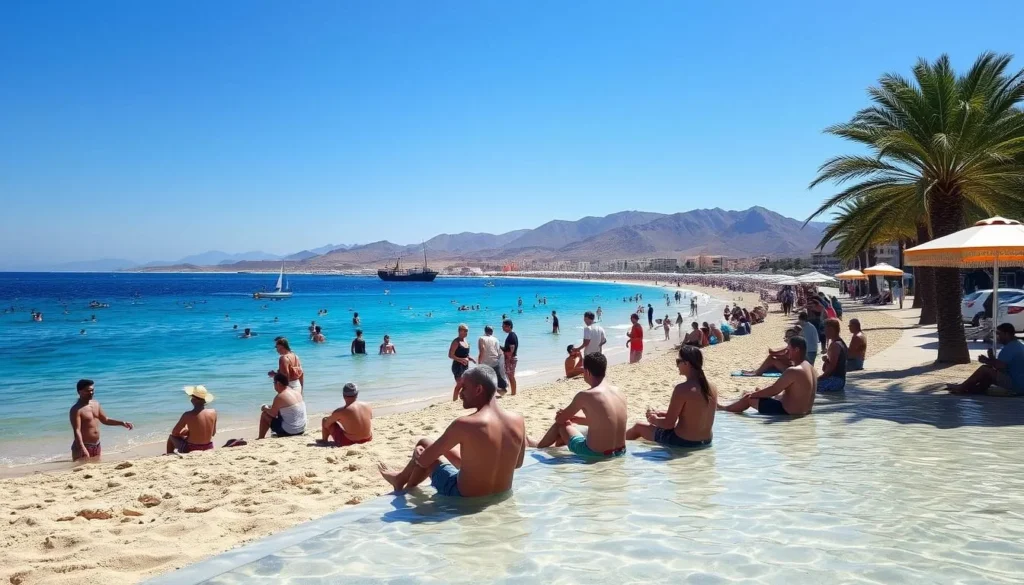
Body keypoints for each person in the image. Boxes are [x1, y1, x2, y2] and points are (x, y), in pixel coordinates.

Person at [379, 365, 526, 498]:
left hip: (461, 494)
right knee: (431, 444)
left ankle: (403, 484)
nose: (460, 393)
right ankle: (401, 481)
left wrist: (422, 455)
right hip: (501, 491)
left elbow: (424, 461)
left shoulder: (465, 424)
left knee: (423, 445)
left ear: (479, 389)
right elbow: (518, 464)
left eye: (464, 388)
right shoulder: (518, 420)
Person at [530, 353, 627, 458]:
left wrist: (565, 418)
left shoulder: (585, 395)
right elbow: (605, 420)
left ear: (588, 372)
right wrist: (576, 419)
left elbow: (560, 420)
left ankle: (539, 446)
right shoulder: (618, 392)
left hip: (595, 454)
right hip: (620, 451)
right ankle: (548, 444)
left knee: (561, 426)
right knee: (570, 425)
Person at [626, 346, 716, 449]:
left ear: (687, 364)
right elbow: (693, 413)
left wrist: (654, 419)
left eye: (678, 361)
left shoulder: (682, 389)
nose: (677, 365)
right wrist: (662, 413)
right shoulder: (712, 387)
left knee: (638, 427)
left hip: (683, 442)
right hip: (706, 441)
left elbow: (669, 424)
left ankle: (618, 453)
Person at [720, 337, 817, 415]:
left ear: (796, 350)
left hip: (786, 413)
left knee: (749, 399)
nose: (786, 353)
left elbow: (773, 390)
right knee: (760, 392)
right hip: (805, 413)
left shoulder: (793, 370)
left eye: (788, 350)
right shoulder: (811, 368)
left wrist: (752, 395)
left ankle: (725, 409)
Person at [948, 324, 1024, 396]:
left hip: (1016, 384)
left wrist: (986, 360)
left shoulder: (1010, 348)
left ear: (1007, 334)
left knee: (984, 369)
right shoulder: (1018, 344)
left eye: (999, 334)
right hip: (1017, 381)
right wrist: (990, 358)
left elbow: (1000, 367)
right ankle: (974, 389)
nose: (997, 337)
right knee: (988, 372)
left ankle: (961, 388)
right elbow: (1003, 366)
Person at [69, 379, 133, 461]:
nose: (91, 393)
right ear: (79, 392)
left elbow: (105, 420)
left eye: (92, 390)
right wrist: (82, 448)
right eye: (88, 391)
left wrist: (122, 423)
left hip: (97, 445)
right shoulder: (76, 409)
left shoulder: (96, 404)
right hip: (84, 446)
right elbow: (77, 430)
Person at [167, 385, 217, 454]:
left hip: (192, 448)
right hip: (209, 446)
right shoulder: (213, 412)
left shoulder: (187, 415)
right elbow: (213, 433)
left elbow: (174, 433)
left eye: (191, 397)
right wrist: (193, 431)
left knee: (171, 437)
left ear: (194, 399)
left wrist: (186, 432)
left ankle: (169, 454)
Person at [258, 373, 307, 438]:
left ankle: (260, 437)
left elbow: (273, 414)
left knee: (264, 414)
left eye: (274, 383)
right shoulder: (296, 392)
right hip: (302, 429)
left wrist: (265, 408)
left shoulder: (280, 396)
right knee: (281, 412)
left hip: (290, 431)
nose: (274, 385)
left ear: (278, 383)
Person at [818, 319, 848, 393]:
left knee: (807, 387)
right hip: (840, 380)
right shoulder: (841, 343)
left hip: (835, 380)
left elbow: (831, 368)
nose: (824, 332)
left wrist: (819, 378)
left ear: (831, 329)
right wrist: (826, 360)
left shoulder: (835, 345)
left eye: (825, 329)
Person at [477, 325, 508, 392]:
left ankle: (487, 392)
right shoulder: (495, 339)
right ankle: (503, 388)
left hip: (485, 362)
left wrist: (479, 362)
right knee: (497, 377)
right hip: (495, 361)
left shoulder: (481, 338)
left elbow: (482, 349)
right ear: (492, 332)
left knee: (485, 378)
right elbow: (498, 351)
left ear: (485, 331)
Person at [448, 324, 475, 401]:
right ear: (460, 331)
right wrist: (461, 360)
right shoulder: (456, 342)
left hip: (465, 366)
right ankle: (454, 401)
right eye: (465, 331)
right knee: (460, 385)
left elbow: (465, 354)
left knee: (465, 384)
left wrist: (470, 358)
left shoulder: (465, 341)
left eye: (467, 331)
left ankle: (463, 398)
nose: (467, 332)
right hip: (457, 367)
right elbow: (450, 355)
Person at [501, 319, 519, 395]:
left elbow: (512, 348)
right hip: (512, 357)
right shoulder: (512, 335)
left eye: (503, 326)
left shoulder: (511, 336)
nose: (502, 328)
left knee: (511, 376)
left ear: (508, 326)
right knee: (511, 376)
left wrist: (508, 358)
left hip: (511, 358)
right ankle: (513, 392)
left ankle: (513, 393)